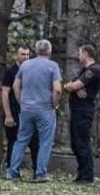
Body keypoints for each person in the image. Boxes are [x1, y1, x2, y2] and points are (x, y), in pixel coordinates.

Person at [6, 39, 62, 182]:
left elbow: (15, 86)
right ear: (49, 51)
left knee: (21, 140)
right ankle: (40, 173)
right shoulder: (53, 66)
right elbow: (57, 89)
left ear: (36, 51)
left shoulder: (25, 65)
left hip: (26, 109)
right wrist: (54, 104)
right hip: (45, 109)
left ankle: (12, 172)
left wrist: (21, 102)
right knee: (45, 142)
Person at [64, 44, 100, 183]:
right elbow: (71, 84)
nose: (78, 56)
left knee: (82, 142)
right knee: (75, 143)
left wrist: (73, 87)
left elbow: (73, 85)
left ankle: (87, 175)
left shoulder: (93, 70)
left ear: (86, 54)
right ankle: (81, 173)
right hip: (76, 110)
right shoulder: (84, 70)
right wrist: (73, 87)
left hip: (83, 111)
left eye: (80, 53)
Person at [2, 45, 39, 174]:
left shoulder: (32, 72)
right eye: (23, 54)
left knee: (35, 142)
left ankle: (37, 170)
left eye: (28, 54)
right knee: (14, 141)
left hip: (30, 112)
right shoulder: (10, 72)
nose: (26, 57)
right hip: (14, 112)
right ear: (16, 56)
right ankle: (11, 170)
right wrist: (8, 115)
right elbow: (5, 93)